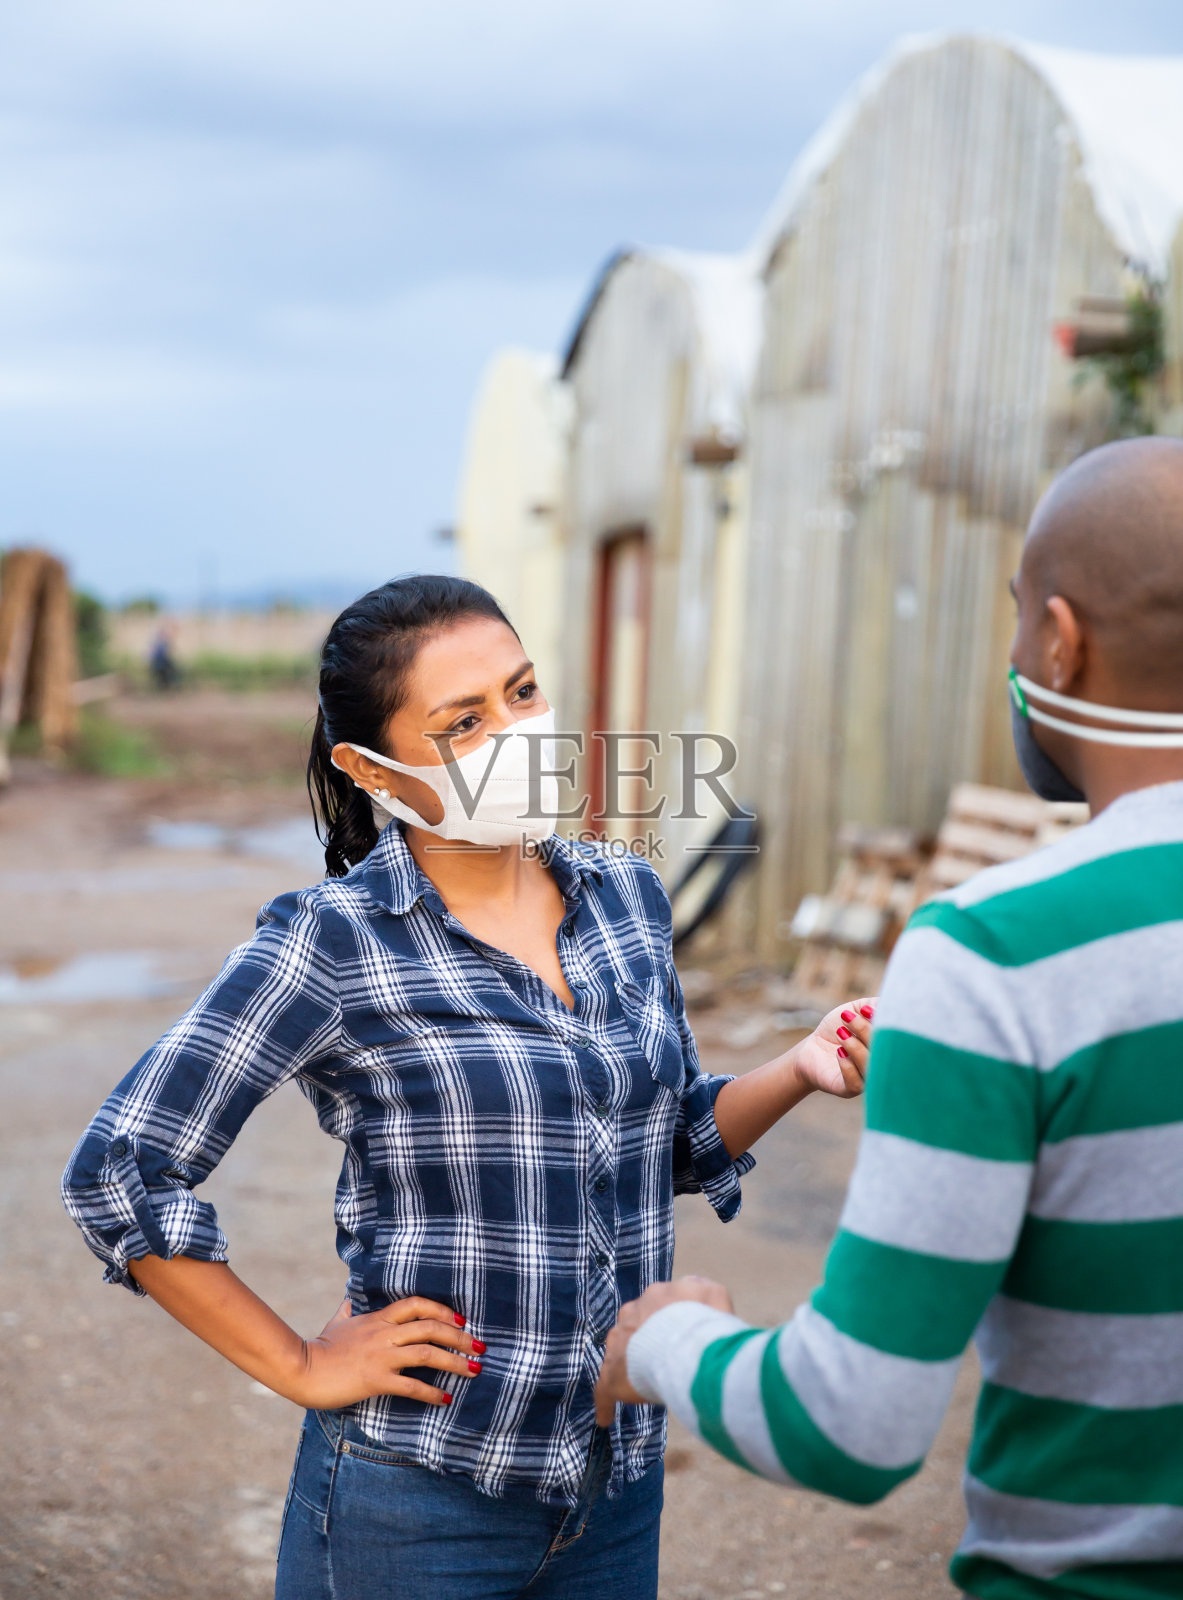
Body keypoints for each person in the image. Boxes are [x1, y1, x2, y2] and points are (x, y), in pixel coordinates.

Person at [61, 574, 872, 1600]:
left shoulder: (623, 894)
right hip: (417, 1506)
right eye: (464, 721)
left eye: (523, 692)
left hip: (614, 1495)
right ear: (374, 769)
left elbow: (651, 1140)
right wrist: (304, 1366)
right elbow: (118, 1170)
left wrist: (796, 1069)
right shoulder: (334, 942)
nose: (519, 732)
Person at [596, 435, 1183, 1600]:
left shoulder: (1000, 953)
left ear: (1059, 641)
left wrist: (662, 1337)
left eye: (1017, 619)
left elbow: (848, 1423)